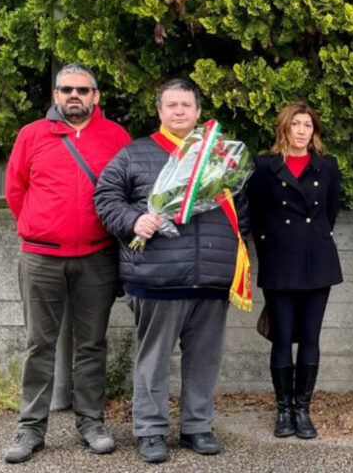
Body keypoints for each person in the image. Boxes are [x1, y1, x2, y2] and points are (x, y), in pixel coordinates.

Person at [93, 79, 248, 463]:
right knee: (154, 360)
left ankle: (197, 426)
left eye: (186, 105)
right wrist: (133, 221)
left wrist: (227, 255)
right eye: (171, 105)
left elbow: (240, 214)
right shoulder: (135, 154)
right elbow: (105, 197)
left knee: (204, 359)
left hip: (210, 277)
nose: (179, 111)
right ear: (160, 111)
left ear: (197, 111)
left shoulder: (221, 157)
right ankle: (150, 430)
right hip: (156, 276)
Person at [2, 64, 131, 464]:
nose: (73, 95)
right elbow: (15, 190)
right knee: (39, 344)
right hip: (41, 257)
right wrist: (40, 228)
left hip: (96, 256)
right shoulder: (31, 135)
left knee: (91, 343)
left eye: (82, 90)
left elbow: (128, 190)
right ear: (56, 95)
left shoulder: (116, 137)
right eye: (66, 89)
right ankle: (30, 428)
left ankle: (91, 422)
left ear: (96, 96)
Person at [247, 101, 343, 440]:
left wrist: (310, 239)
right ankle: (284, 410)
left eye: (308, 126)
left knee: (311, 337)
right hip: (279, 262)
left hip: (317, 260)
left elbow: (330, 212)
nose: (302, 131)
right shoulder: (264, 167)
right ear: (284, 129)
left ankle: (303, 409)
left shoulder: (327, 166)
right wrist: (274, 248)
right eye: (296, 125)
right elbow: (256, 215)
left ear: (314, 131)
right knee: (283, 337)